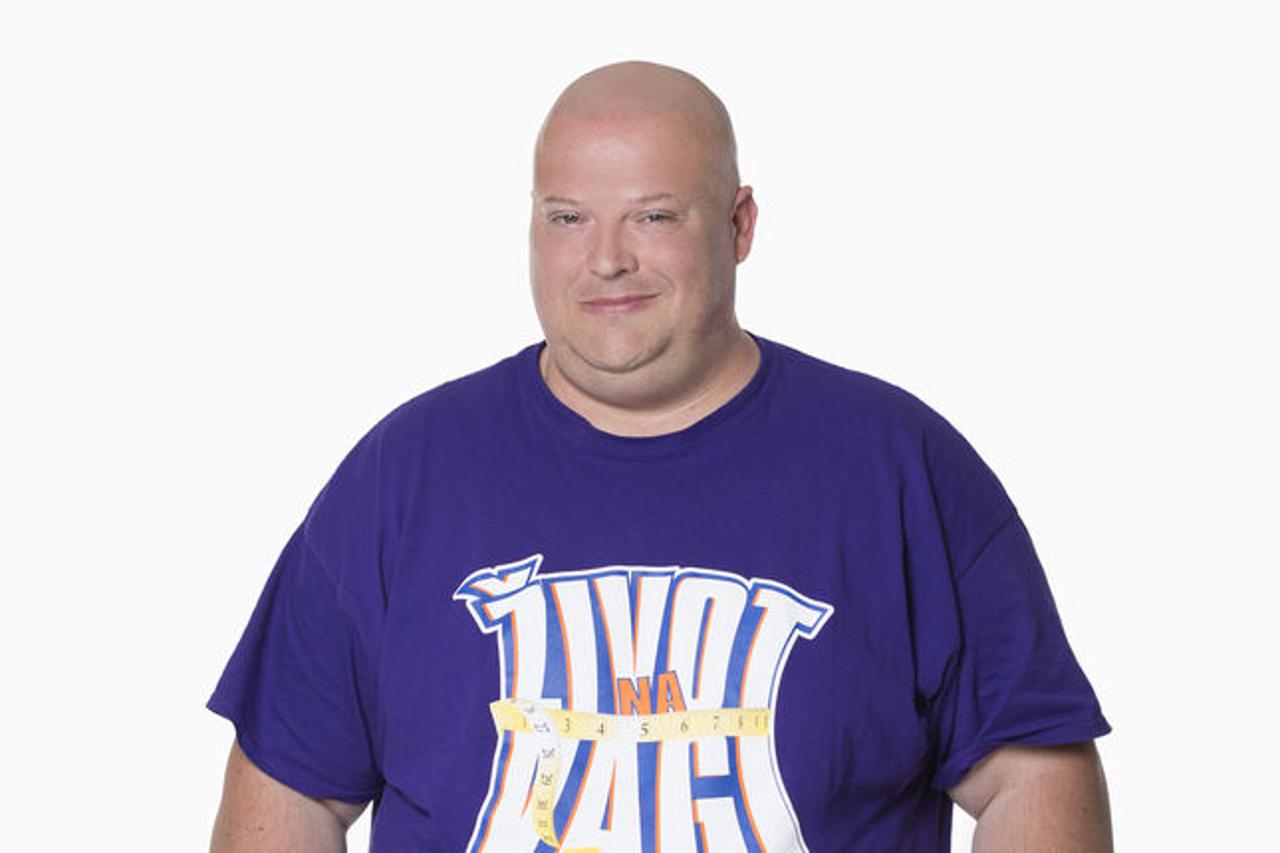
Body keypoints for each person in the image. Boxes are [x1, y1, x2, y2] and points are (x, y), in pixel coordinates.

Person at [208, 60, 1113, 852]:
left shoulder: (900, 466)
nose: (606, 259)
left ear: (739, 225)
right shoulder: (401, 477)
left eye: (652, 216)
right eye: (568, 217)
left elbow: (1031, 774)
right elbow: (292, 795)